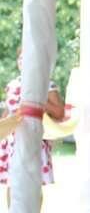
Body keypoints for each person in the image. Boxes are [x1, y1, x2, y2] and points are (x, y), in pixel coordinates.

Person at [0, 48, 65, 189]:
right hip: (12, 142)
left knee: (32, 185)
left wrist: (37, 98)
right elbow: (9, 111)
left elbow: (59, 113)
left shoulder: (46, 84)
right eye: (20, 58)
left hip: (34, 138)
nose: (22, 61)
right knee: (12, 184)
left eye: (27, 57)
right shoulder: (12, 85)